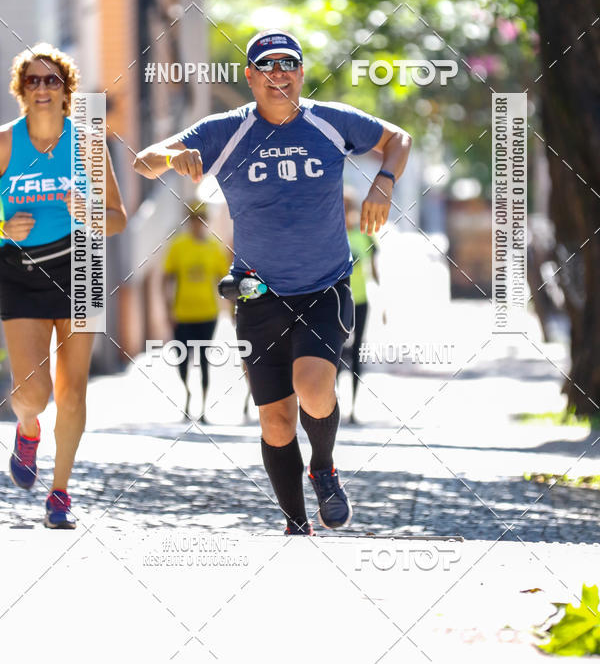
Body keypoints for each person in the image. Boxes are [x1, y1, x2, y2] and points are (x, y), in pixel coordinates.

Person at [134, 28, 411, 535]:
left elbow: (398, 139)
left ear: (301, 74)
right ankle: (295, 523)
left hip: (324, 286)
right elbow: (143, 160)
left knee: (313, 388)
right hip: (257, 294)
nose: (277, 74)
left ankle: (323, 466)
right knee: (275, 419)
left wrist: (383, 181)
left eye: (287, 65)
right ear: (250, 77)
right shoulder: (225, 130)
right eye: (266, 66)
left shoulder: (329, 122)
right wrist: (175, 157)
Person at [0, 43, 127, 528]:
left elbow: (117, 219)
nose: (42, 88)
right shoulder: (7, 144)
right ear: (21, 91)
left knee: (73, 391)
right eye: (33, 80)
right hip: (21, 270)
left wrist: (92, 213)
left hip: (82, 268)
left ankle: (60, 493)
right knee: (33, 394)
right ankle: (28, 430)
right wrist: (3, 228)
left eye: (52, 80)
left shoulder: (89, 145)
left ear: (67, 91)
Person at [162, 200, 230, 422]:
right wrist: (168, 310)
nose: (197, 224)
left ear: (206, 221)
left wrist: (231, 306)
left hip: (207, 314)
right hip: (182, 314)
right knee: (182, 361)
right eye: (193, 219)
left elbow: (223, 280)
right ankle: (187, 396)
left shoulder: (213, 248)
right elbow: (167, 279)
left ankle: (202, 406)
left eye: (201, 219)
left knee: (204, 361)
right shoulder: (178, 246)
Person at [338, 186, 381, 424]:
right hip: (335, 302)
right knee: (333, 353)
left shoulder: (364, 236)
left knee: (356, 354)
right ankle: (332, 405)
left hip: (361, 302)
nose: (345, 212)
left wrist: (384, 304)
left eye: (348, 208)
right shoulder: (331, 234)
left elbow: (375, 273)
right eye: (341, 207)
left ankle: (353, 407)